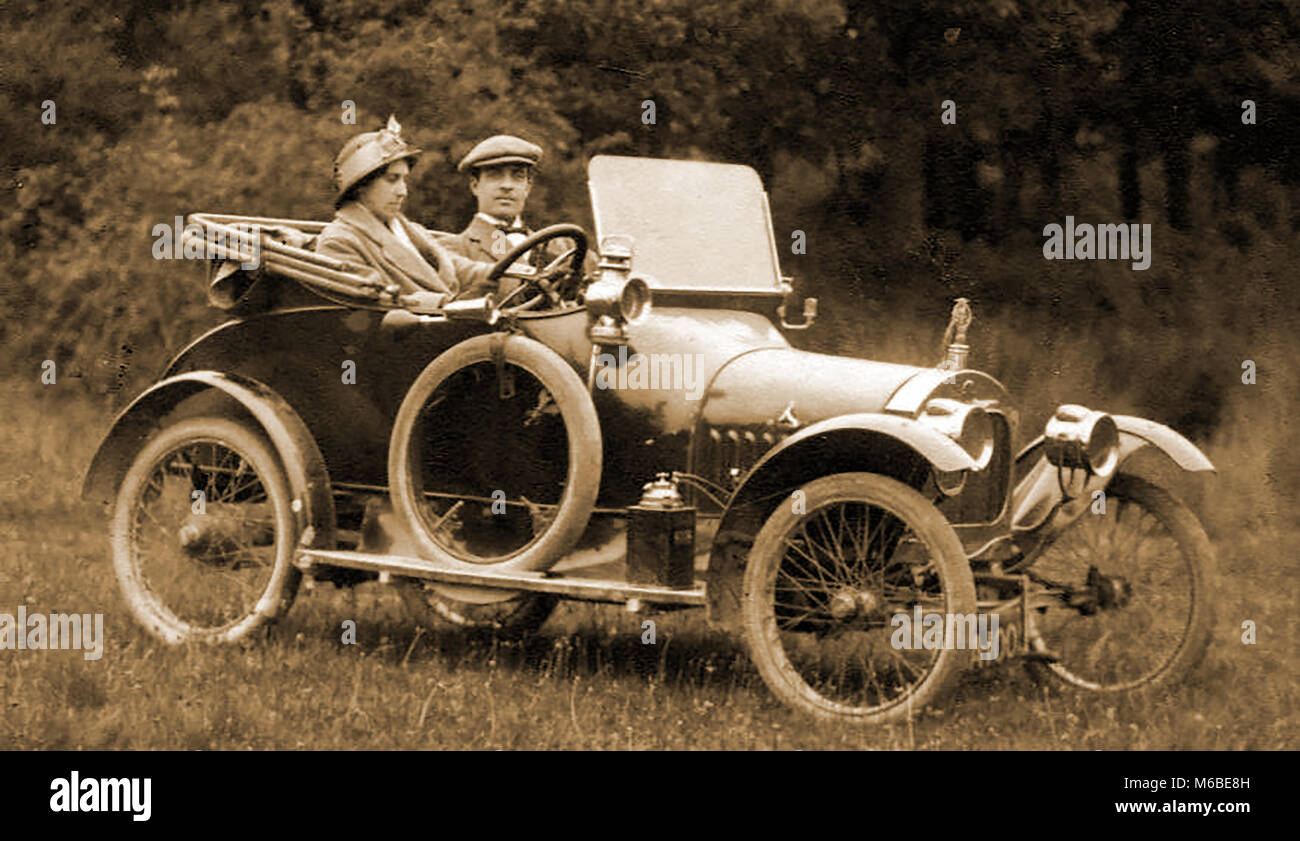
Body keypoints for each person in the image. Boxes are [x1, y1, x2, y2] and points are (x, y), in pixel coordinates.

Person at [315, 117, 496, 308]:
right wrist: (445, 303)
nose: (403, 191)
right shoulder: (340, 242)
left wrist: (514, 272)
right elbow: (376, 302)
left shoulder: (411, 231)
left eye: (403, 180)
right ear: (361, 186)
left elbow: (457, 268)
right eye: (392, 179)